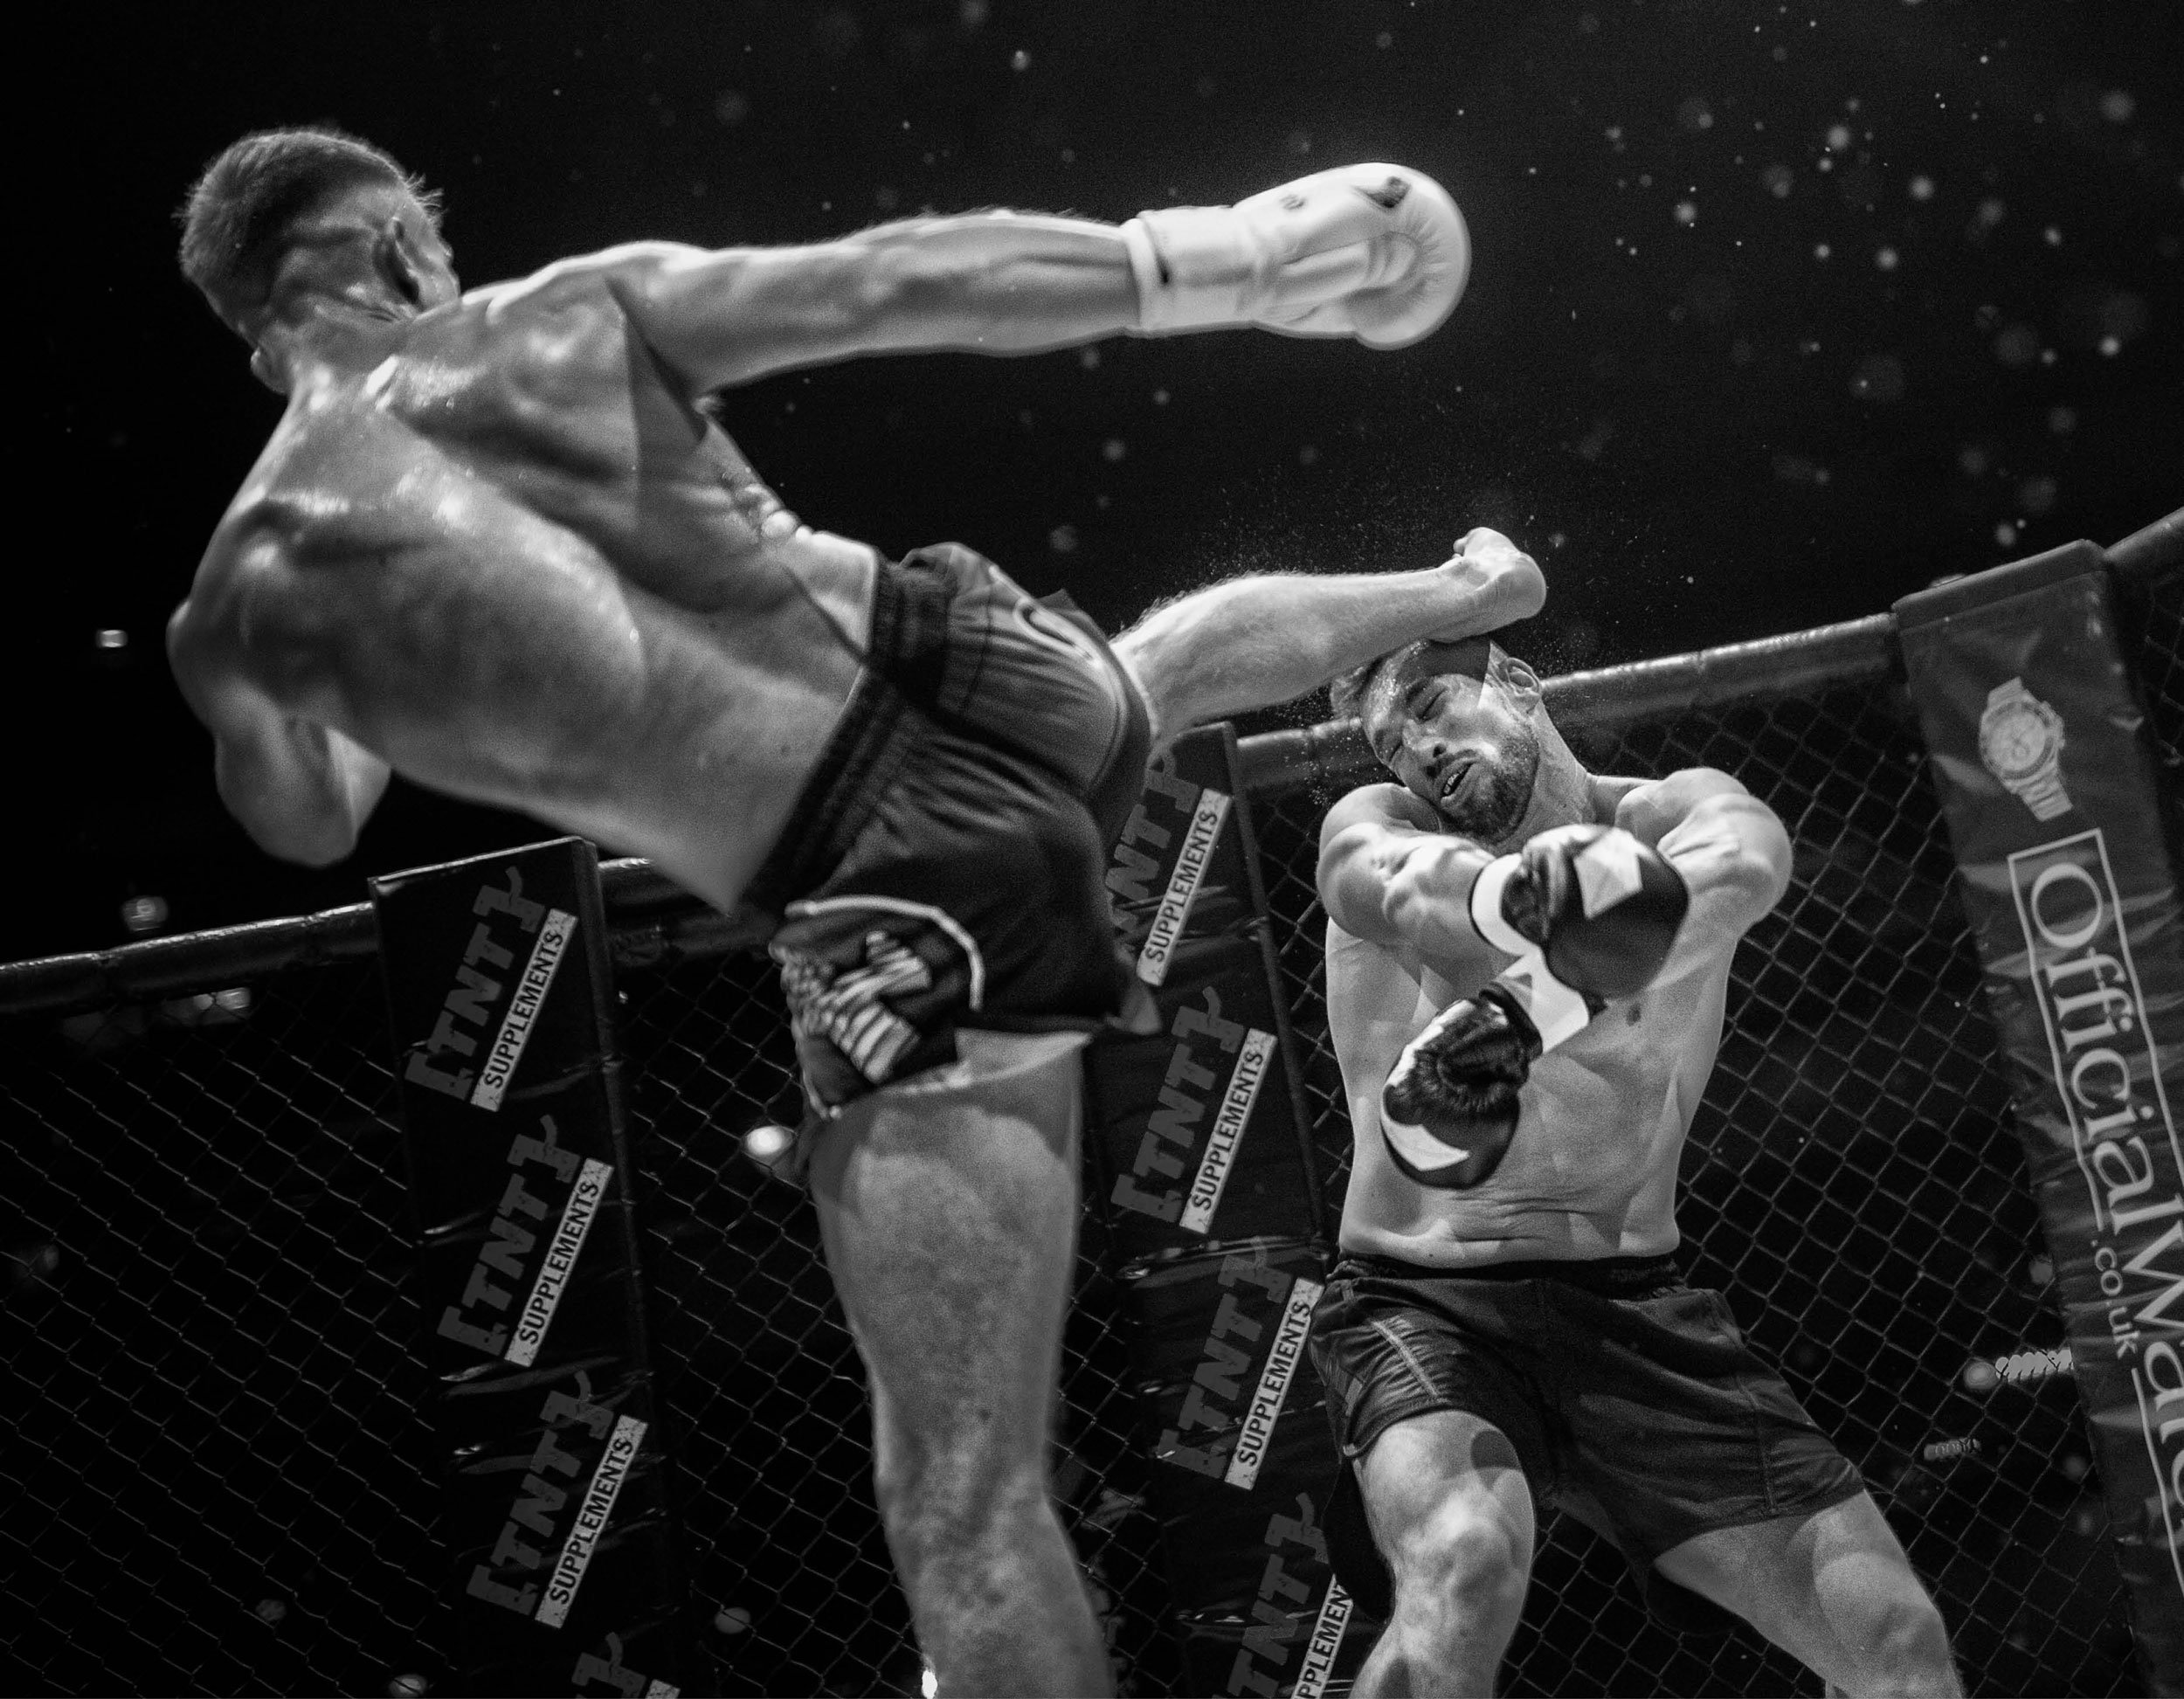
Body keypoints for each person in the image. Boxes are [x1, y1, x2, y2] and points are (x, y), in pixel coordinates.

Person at [165, 126, 1493, 1696]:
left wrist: (380, 674)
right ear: (392, 252)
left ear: (261, 327)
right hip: (992, 659)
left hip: (896, 876)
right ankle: (1462, 596)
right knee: (1160, 668)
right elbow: (896, 279)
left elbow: (307, 816)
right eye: (438, 245)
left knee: (960, 1503)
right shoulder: (562, 321)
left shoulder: (243, 605)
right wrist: (1240, 257)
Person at [1307, 574, 1964, 1696]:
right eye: (1390, 746)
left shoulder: (1667, 807)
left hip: (1634, 1306)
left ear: (1515, 682)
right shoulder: (1375, 829)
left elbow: (1748, 861)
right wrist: (1530, 905)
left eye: (1428, 707)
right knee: (1465, 1563)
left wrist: (1535, 1004)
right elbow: (1405, 891)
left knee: (1895, 1644)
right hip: (1426, 1301)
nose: (1415, 756)